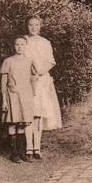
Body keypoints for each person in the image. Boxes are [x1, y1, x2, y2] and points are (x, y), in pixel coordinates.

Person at [24, 15, 62, 159]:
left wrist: (40, 71)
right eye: (30, 25)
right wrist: (28, 71)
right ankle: (28, 147)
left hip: (41, 80)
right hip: (26, 80)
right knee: (28, 113)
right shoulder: (23, 41)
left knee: (39, 113)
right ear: (26, 26)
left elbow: (51, 62)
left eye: (36, 25)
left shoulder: (45, 42)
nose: (33, 27)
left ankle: (37, 148)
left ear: (40, 27)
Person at [0, 36, 37, 163]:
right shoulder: (8, 61)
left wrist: (32, 93)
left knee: (22, 124)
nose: (19, 47)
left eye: (22, 44)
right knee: (12, 123)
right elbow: (3, 83)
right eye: (17, 44)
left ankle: (22, 153)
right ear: (14, 46)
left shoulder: (29, 60)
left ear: (26, 46)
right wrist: (4, 100)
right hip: (12, 95)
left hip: (25, 96)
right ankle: (14, 154)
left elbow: (34, 77)